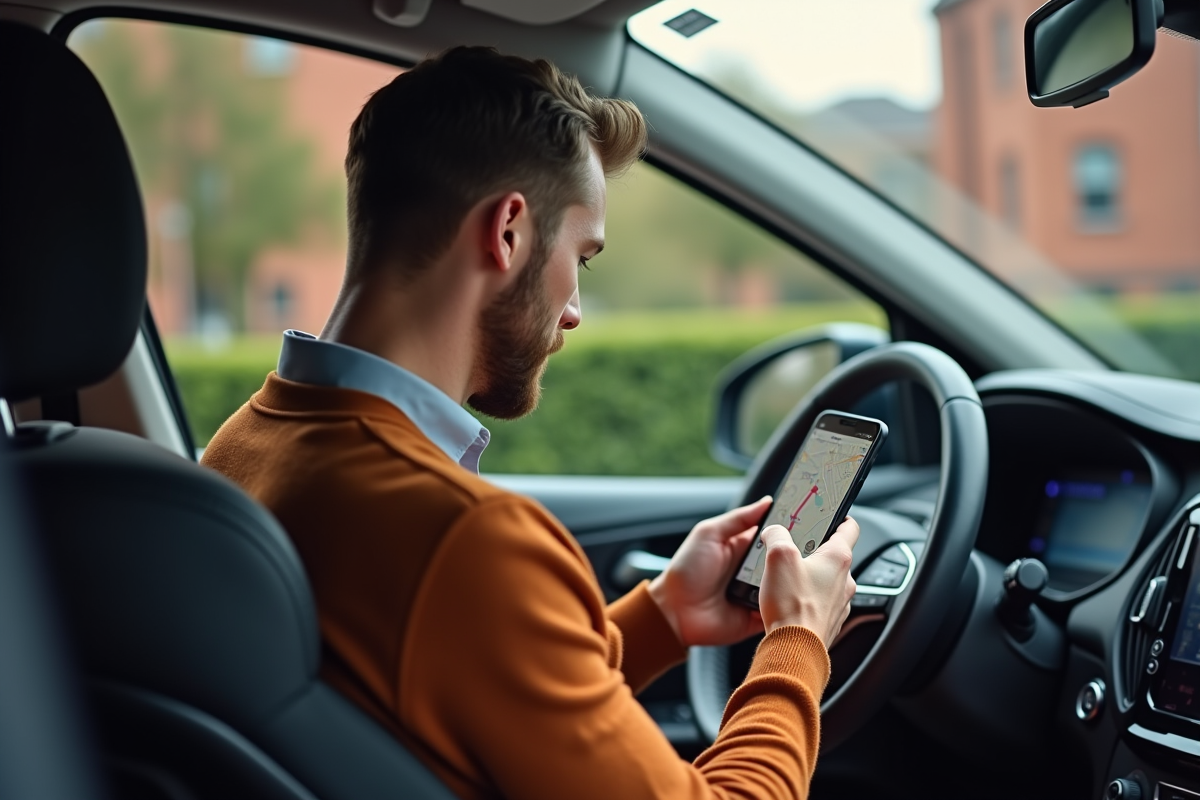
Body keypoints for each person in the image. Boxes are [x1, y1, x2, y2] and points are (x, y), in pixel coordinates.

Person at [202, 46, 858, 800]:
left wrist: (664, 617)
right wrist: (797, 642)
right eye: (583, 256)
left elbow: (462, 685)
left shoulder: (246, 444)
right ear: (509, 231)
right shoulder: (464, 539)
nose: (574, 307)